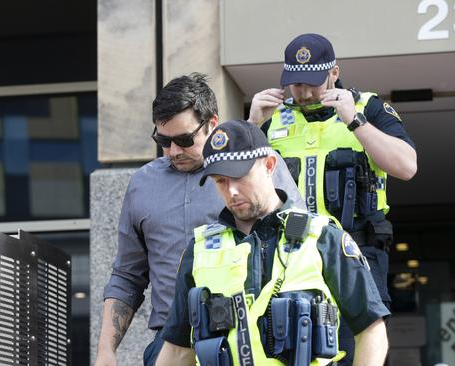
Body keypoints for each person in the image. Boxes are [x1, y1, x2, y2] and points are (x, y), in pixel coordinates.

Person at [95, 73, 302, 366]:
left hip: (252, 338)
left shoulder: (256, 168)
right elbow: (128, 276)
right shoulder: (142, 185)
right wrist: (106, 351)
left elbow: (300, 238)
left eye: (184, 139)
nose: (174, 151)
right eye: (163, 141)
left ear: (212, 123)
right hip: (170, 342)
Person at [156, 119, 390, 366]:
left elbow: (371, 331)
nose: (232, 191)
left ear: (269, 164)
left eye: (240, 176)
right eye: (220, 181)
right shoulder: (200, 250)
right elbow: (177, 350)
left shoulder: (322, 237)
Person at [247, 33, 417, 364]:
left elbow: (407, 166)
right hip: (291, 258)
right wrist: (252, 125)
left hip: (356, 252)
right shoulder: (274, 118)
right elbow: (239, 188)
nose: (305, 92)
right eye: (295, 83)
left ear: (334, 73)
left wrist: (354, 120)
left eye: (312, 82)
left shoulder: (368, 107)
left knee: (358, 348)